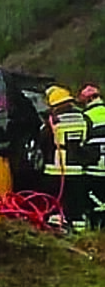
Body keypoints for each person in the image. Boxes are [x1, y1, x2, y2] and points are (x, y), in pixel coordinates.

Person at [41, 85, 89, 229]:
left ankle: (57, 226)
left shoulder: (53, 120)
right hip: (78, 167)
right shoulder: (83, 117)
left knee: (56, 200)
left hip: (57, 167)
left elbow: (44, 141)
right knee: (76, 201)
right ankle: (79, 227)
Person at [79, 84, 105, 228]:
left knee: (93, 199)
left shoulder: (86, 117)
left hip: (95, 164)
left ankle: (95, 226)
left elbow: (82, 141)